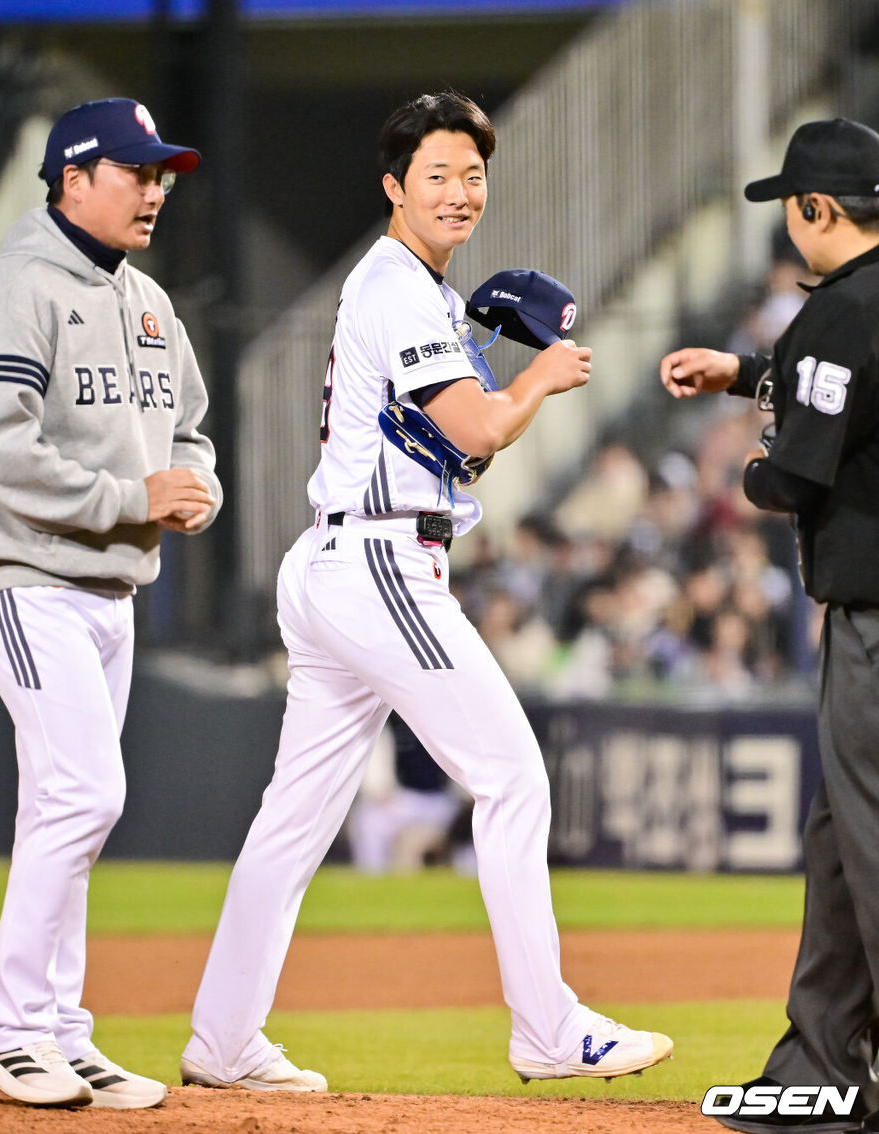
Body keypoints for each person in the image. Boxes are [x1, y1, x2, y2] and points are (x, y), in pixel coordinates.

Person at [180, 90, 672, 1094]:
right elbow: (481, 432)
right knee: (512, 779)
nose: (459, 190)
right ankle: (547, 1028)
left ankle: (223, 1041)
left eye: (474, 172)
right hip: (377, 566)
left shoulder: (423, 296)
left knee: (294, 817)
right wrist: (534, 380)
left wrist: (496, 382)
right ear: (394, 187)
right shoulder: (398, 288)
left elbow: (459, 448)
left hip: (344, 562)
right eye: (437, 173)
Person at [0, 97, 221, 1110]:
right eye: (137, 171)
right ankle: (10, 1029)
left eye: (162, 174)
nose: (156, 189)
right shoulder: (19, 287)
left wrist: (193, 488)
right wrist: (126, 499)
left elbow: (190, 430)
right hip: (29, 580)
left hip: (114, 592)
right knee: (83, 795)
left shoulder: (146, 299)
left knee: (65, 806)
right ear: (73, 179)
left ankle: (61, 1030)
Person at [660, 117, 879, 1134]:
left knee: (869, 846)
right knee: (839, 846)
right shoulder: (855, 311)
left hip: (875, 625)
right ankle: (821, 1071)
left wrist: (746, 470)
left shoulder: (840, 309)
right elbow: (843, 393)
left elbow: (795, 471)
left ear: (815, 209)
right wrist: (743, 372)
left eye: (790, 207)